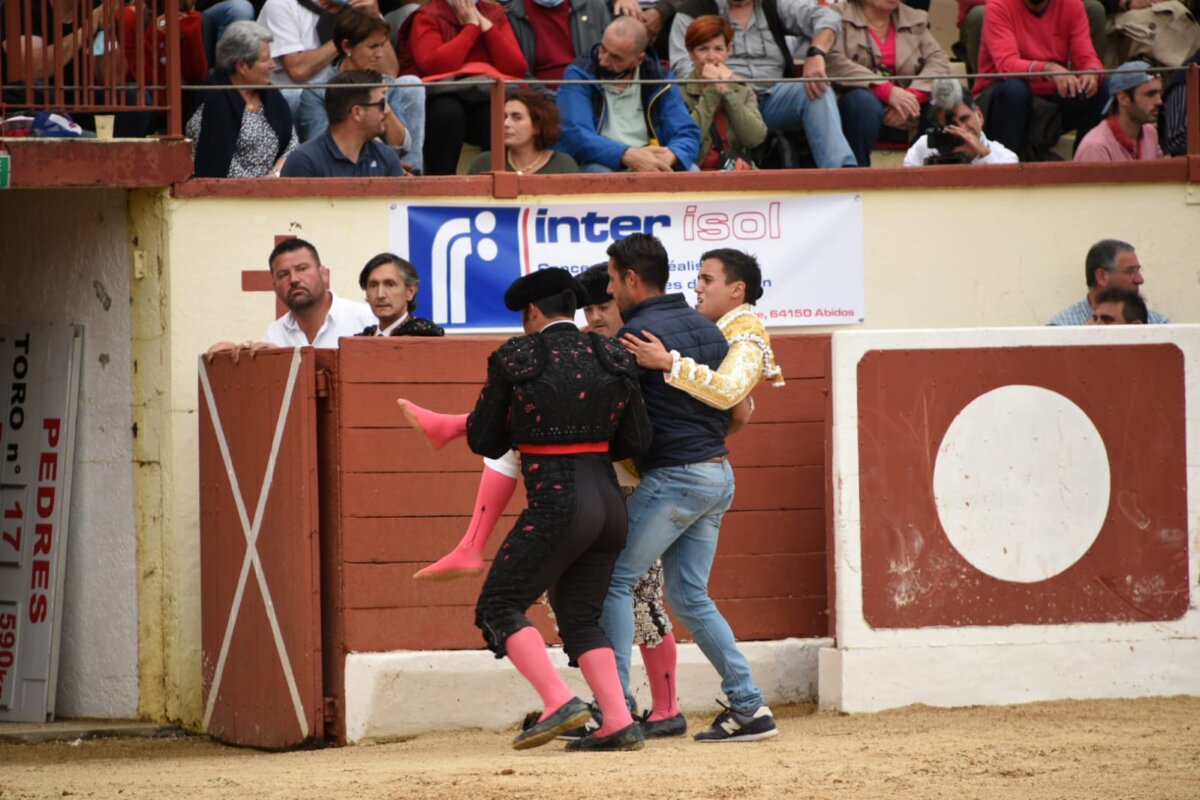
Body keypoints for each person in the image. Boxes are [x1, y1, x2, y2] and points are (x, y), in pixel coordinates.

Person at [464, 267, 652, 752]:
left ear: (531, 311)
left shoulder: (518, 357)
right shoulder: (613, 353)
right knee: (580, 616)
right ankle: (616, 720)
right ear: (572, 308)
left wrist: (527, 431)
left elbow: (483, 438)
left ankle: (558, 701)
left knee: (499, 605)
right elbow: (637, 439)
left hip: (557, 502)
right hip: (610, 507)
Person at [600, 234, 777, 743]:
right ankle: (749, 707)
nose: (610, 294)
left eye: (612, 282)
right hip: (717, 474)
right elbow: (739, 411)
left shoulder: (638, 336)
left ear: (632, 279)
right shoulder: (709, 329)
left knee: (614, 577)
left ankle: (615, 707)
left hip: (677, 475)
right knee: (688, 595)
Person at [668, 0, 859, 169]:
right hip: (723, 96)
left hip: (773, 96)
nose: (711, 53)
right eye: (704, 49)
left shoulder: (775, 5)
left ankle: (841, 172)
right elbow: (684, 70)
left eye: (719, 48)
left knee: (818, 89)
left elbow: (829, 17)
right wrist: (735, 86)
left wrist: (816, 52)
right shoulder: (691, 11)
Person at [556, 16, 701, 172]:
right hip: (601, 160)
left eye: (615, 57)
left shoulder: (659, 79)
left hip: (651, 158)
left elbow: (686, 132)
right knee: (598, 173)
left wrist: (670, 156)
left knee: (692, 171)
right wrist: (626, 154)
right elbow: (574, 135)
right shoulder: (580, 74)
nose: (603, 60)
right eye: (603, 48)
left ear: (638, 60)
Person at [972, 0, 1107, 161]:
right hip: (1003, 96)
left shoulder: (1072, 5)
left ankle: (1086, 167)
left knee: (1101, 88)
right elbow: (1006, 65)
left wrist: (1091, 72)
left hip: (1049, 98)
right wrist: (1048, 69)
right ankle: (1006, 169)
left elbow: (1086, 55)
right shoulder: (998, 5)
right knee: (1015, 89)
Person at [405, 0, 529, 175]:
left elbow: (516, 67)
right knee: (447, 112)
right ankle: (441, 188)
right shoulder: (427, 15)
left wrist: (483, 22)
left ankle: (496, 186)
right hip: (443, 96)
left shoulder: (494, 13)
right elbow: (433, 65)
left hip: (484, 95)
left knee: (496, 115)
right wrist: (471, 28)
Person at [297, 8, 426, 174]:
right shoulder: (317, 91)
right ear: (346, 46)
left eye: (382, 45)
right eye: (372, 47)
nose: (380, 54)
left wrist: (381, 102)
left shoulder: (386, 84)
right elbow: (323, 145)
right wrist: (384, 159)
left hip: (388, 168)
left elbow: (401, 145)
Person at [826, 0, 950, 166]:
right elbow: (832, 60)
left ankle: (931, 175)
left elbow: (939, 61)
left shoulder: (914, 17)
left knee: (945, 102)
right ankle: (855, 176)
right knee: (862, 103)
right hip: (860, 104)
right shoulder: (837, 16)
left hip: (908, 109)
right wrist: (886, 91)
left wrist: (913, 97)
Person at [206, 238, 377, 358]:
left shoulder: (366, 318)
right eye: (283, 274)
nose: (294, 279)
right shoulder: (275, 333)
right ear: (275, 286)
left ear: (323, 274)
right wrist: (237, 355)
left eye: (302, 268)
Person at [188, 21, 299, 178]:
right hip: (231, 196)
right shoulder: (213, 101)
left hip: (275, 188)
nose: (273, 65)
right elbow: (217, 162)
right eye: (265, 59)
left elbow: (292, 144)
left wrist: (275, 175)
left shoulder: (272, 95)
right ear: (241, 66)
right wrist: (257, 187)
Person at [258, 0, 398, 115]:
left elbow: (390, 72)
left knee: (409, 84)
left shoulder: (358, 7)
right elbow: (298, 70)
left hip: (352, 90)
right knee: (298, 94)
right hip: (300, 95)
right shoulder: (280, 4)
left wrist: (374, 17)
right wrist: (349, 33)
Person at [678, 15, 769, 170]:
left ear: (729, 50)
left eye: (719, 49)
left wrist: (727, 92)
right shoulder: (678, 91)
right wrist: (712, 91)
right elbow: (687, 140)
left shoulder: (741, 88)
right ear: (690, 53)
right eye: (703, 49)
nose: (712, 57)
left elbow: (755, 138)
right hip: (694, 171)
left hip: (737, 170)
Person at [280, 69, 407, 176]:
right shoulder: (304, 162)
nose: (387, 111)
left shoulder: (386, 157)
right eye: (381, 104)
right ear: (357, 113)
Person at [1048, 238, 1169, 325]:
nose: (1140, 279)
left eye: (1138, 271)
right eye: (1130, 271)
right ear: (1102, 276)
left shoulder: (1159, 325)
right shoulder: (1060, 330)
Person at [902, 78, 1018, 166]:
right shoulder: (925, 146)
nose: (961, 129)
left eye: (964, 119)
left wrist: (983, 154)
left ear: (979, 116)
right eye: (950, 125)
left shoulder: (1004, 158)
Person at [467, 88, 581, 174]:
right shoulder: (484, 163)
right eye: (504, 117)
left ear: (537, 126)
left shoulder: (563, 165)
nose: (505, 124)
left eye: (517, 118)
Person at [1073, 60, 1164, 162]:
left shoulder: (1150, 133)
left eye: (1159, 93)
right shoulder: (1096, 148)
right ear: (1123, 99)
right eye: (1150, 94)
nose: (1159, 101)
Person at [506, 0, 612, 83]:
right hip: (537, 99)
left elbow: (612, 56)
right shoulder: (513, 13)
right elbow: (518, 73)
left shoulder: (593, 6)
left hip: (590, 92)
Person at [356, 254, 446, 336]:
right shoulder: (360, 340)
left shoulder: (426, 337)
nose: (380, 295)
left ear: (410, 291)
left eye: (390, 284)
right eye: (373, 285)